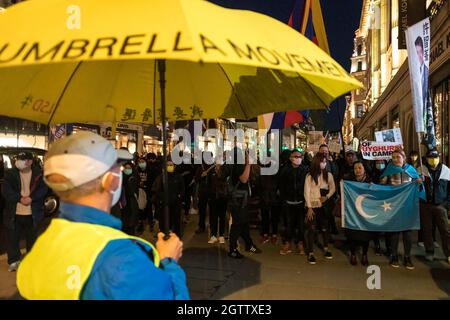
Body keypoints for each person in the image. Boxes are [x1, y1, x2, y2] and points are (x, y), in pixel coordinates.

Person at [16, 132, 189, 299]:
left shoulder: (42, 245)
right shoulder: (122, 257)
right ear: (110, 180)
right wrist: (169, 262)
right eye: (117, 169)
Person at [2, 151, 48, 272]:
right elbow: (6, 191)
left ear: (30, 162)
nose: (19, 162)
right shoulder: (10, 174)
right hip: (14, 213)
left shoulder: (39, 174)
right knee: (13, 238)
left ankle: (32, 260)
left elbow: (43, 189)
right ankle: (13, 261)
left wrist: (31, 198)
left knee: (32, 238)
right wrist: (20, 199)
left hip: (33, 213)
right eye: (19, 159)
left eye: (23, 159)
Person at [379, 149, 422, 270]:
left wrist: (419, 182)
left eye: (398, 157)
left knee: (408, 233)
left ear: (404, 157)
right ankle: (394, 255)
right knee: (394, 232)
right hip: (394, 206)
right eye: (393, 157)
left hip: (408, 206)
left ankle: (407, 256)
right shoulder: (389, 169)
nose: (395, 159)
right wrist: (376, 185)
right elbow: (382, 186)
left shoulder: (411, 170)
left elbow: (418, 187)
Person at [222, 147, 261, 259]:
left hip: (239, 200)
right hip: (238, 200)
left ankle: (249, 244)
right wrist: (248, 165)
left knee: (243, 223)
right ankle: (233, 249)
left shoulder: (235, 164)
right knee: (238, 224)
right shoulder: (239, 165)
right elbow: (244, 179)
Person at [418, 149, 450, 264]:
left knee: (445, 231)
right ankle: (429, 251)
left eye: (435, 157)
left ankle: (448, 253)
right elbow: (414, 186)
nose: (433, 160)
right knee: (427, 230)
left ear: (439, 158)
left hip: (441, 205)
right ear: (426, 159)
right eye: (430, 157)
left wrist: (447, 203)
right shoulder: (421, 170)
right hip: (425, 205)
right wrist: (418, 180)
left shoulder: (446, 171)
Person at [304, 153, 335, 264]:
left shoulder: (329, 175)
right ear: (317, 162)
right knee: (311, 228)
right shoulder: (309, 176)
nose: (324, 163)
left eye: (325, 162)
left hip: (324, 206)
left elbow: (333, 188)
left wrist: (326, 197)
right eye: (322, 161)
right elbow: (306, 192)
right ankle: (311, 252)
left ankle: (326, 248)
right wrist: (309, 207)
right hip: (312, 205)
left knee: (324, 227)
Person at [278, 150, 308, 255]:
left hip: (300, 202)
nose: (298, 158)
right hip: (288, 202)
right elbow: (281, 187)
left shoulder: (305, 170)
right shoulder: (285, 170)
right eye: (296, 156)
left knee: (301, 225)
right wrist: (283, 200)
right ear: (291, 158)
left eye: (300, 156)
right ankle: (287, 243)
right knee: (289, 224)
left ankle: (300, 243)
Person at [344, 161, 373, 266]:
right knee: (352, 232)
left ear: (364, 169)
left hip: (365, 212)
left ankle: (364, 254)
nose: (358, 170)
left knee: (365, 233)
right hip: (352, 211)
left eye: (360, 168)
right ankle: (353, 254)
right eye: (355, 168)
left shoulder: (370, 181)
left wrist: (372, 187)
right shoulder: (349, 181)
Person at [152, 160, 185, 238]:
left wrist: (179, 196)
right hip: (164, 203)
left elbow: (182, 188)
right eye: (168, 165)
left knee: (176, 220)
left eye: (171, 165)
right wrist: (163, 197)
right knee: (164, 219)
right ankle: (165, 234)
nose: (170, 166)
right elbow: (156, 189)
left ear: (174, 166)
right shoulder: (161, 177)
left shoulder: (178, 176)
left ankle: (176, 235)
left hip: (176, 202)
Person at [258, 158, 281, 245]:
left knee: (274, 218)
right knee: (265, 217)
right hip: (265, 198)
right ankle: (266, 234)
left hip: (274, 198)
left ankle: (274, 234)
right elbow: (259, 185)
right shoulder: (263, 172)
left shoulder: (277, 172)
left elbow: (280, 185)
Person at [207, 158, 228, 244]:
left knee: (222, 217)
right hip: (213, 197)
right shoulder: (211, 171)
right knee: (213, 217)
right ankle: (213, 235)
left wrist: (219, 171)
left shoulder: (225, 171)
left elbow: (225, 180)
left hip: (223, 198)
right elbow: (208, 184)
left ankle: (222, 235)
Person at [195, 152, 214, 234]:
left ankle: (211, 226)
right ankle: (201, 226)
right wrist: (201, 176)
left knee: (212, 210)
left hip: (211, 192)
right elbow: (196, 179)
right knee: (202, 210)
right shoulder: (200, 167)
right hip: (203, 192)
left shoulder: (213, 167)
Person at [119, 162, 140, 236]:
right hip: (123, 206)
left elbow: (132, 192)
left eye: (129, 168)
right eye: (126, 168)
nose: (127, 170)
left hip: (131, 205)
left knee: (130, 226)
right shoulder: (120, 178)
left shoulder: (133, 178)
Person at [415, 36, 429, 119]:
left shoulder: (426, 70)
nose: (420, 55)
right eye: (417, 52)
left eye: (421, 51)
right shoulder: (417, 72)